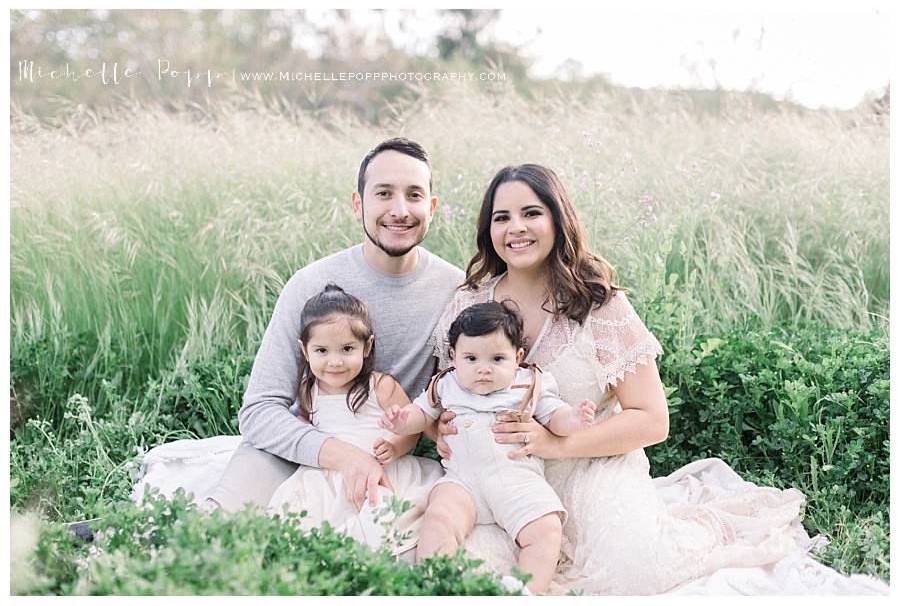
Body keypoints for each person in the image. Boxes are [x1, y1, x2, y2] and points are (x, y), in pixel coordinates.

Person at [421, 163, 817, 595]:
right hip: (498, 477)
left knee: (634, 575)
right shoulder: (470, 301)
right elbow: (444, 391)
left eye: (531, 213)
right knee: (460, 566)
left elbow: (651, 419)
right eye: (502, 218)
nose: (516, 228)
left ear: (558, 219)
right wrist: (438, 428)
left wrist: (556, 444)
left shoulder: (598, 305)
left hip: (590, 469)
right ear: (488, 230)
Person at [190, 136, 464, 512]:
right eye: (383, 193)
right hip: (297, 449)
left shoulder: (455, 290)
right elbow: (260, 411)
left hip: (390, 461)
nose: (400, 209)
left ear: (431, 207)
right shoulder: (310, 284)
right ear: (358, 204)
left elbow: (452, 394)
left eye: (414, 195)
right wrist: (345, 457)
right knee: (218, 528)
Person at [379, 300, 596, 593]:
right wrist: (401, 421)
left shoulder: (528, 383)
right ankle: (437, 580)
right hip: (462, 482)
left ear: (517, 357)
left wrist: (572, 419)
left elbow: (553, 415)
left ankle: (524, 589)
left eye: (496, 359)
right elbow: (421, 415)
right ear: (453, 357)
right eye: (471, 359)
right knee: (439, 517)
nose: (483, 369)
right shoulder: (445, 384)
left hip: (516, 480)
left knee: (546, 528)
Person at [266, 284, 442, 555]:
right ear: (305, 350)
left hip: (382, 472)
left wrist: (395, 444)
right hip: (326, 475)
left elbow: (412, 428)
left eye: (347, 349)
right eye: (322, 351)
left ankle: (367, 563)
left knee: (379, 517)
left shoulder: (380, 386)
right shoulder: (308, 389)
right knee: (302, 516)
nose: (335, 362)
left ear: (366, 346)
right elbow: (305, 423)